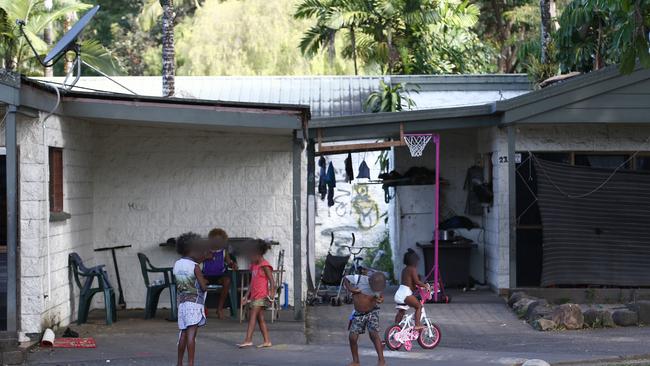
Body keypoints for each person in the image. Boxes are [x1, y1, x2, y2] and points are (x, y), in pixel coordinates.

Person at [173, 232, 209, 366]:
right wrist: (205, 283)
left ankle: (179, 363)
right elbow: (203, 287)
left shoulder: (177, 264)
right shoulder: (195, 267)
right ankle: (191, 363)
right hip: (194, 304)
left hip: (182, 304)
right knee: (191, 336)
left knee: (183, 333)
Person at [343, 271, 387, 366]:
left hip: (372, 312)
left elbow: (381, 297)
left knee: (374, 335)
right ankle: (356, 361)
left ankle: (381, 360)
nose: (376, 290)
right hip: (359, 314)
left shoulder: (378, 287)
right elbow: (345, 278)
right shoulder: (358, 279)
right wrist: (351, 289)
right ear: (370, 280)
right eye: (374, 287)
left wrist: (380, 299)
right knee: (352, 337)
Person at [237, 241, 274, 349]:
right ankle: (267, 341)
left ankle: (248, 340)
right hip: (254, 296)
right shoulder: (253, 266)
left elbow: (272, 281)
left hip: (262, 296)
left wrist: (271, 294)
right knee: (260, 318)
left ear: (259, 253)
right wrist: (246, 296)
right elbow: (252, 282)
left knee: (252, 316)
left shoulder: (265, 265)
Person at [203, 228, 237, 319]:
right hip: (206, 275)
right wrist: (205, 257)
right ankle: (203, 308)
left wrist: (233, 265)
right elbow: (197, 260)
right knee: (199, 282)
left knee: (227, 281)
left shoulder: (224, 251)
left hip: (219, 275)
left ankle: (220, 309)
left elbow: (229, 262)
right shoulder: (206, 249)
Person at [394, 249, 430, 329]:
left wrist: (416, 286)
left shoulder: (405, 269)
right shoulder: (412, 269)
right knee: (419, 306)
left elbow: (409, 283)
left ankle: (395, 328)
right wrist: (425, 286)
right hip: (405, 294)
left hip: (399, 293)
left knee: (401, 311)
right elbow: (417, 281)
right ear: (414, 261)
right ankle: (417, 324)